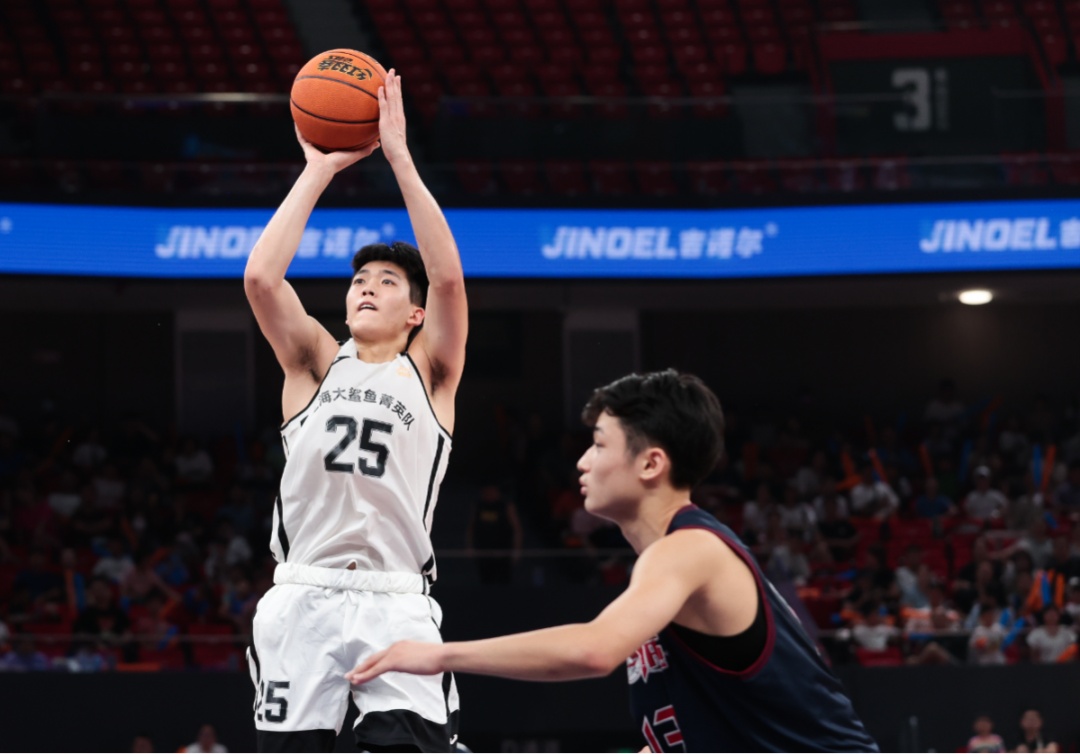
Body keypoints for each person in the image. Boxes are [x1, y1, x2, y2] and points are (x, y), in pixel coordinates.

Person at [347, 370, 877, 752]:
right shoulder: (667, 567)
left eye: (599, 445)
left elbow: (592, 650)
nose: (582, 462)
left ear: (650, 464)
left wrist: (437, 655)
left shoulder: (688, 550)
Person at [243, 70, 467, 752]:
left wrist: (398, 156)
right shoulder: (314, 362)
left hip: (395, 599)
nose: (367, 288)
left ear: (415, 313)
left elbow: (448, 278)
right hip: (302, 596)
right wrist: (318, 170)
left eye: (387, 282)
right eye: (359, 280)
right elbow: (261, 279)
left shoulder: (430, 371)